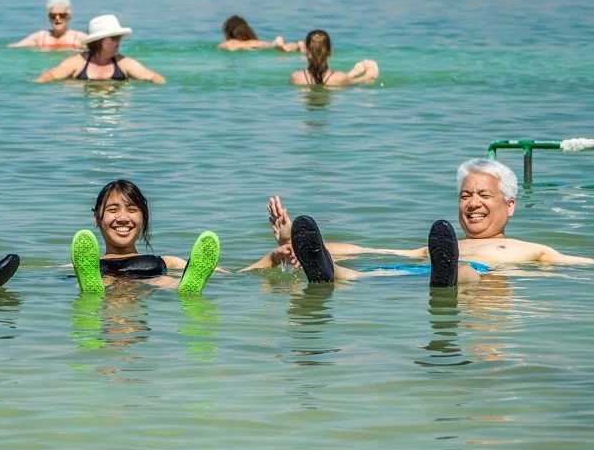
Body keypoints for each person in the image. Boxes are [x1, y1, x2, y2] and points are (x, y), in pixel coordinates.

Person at [245, 159, 594, 287]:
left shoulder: (531, 249)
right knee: (363, 272)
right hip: (417, 274)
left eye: (484, 195)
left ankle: (447, 274)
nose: (472, 203)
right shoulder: (433, 245)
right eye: (465, 195)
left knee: (466, 270)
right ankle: (322, 270)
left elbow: (579, 265)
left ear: (510, 205)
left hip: (474, 275)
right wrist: (306, 244)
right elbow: (368, 249)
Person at [69, 179, 221, 295]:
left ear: (144, 218)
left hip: (144, 269)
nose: (123, 217)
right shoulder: (85, 261)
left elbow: (206, 267)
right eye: (113, 209)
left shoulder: (166, 261)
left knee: (161, 280)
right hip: (103, 273)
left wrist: (244, 270)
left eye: (132, 209)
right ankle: (91, 287)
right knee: (160, 280)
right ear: (96, 218)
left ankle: (185, 286)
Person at [35, 14, 165, 83]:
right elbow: (51, 75)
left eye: (118, 37)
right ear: (99, 41)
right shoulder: (78, 62)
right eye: (114, 38)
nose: (118, 42)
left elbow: (153, 77)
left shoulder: (124, 63)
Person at [290, 29, 378, 86]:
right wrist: (370, 74)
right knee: (346, 79)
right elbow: (365, 80)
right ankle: (353, 73)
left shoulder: (296, 77)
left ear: (305, 52)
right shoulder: (340, 78)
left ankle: (352, 73)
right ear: (330, 52)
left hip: (314, 82)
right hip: (335, 80)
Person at [9, 0, 87, 50]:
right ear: (49, 18)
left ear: (68, 17)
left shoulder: (79, 38)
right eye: (53, 16)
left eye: (61, 15)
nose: (57, 18)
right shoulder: (40, 37)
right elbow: (17, 46)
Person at [218, 15, 304, 52]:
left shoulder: (228, 43)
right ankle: (298, 45)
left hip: (239, 48)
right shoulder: (255, 41)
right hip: (261, 45)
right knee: (277, 46)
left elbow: (224, 47)